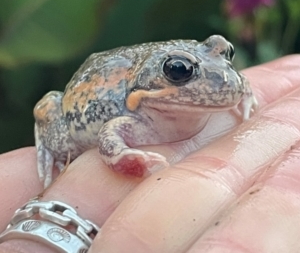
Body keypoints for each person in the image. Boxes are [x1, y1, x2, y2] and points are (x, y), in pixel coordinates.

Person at [0, 54, 300, 253]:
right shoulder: (135, 118)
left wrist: (243, 89)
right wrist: (128, 160)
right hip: (74, 108)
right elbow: (110, 139)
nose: (224, 76)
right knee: (61, 140)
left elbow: (224, 73)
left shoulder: (215, 79)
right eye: (180, 71)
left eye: (227, 55)